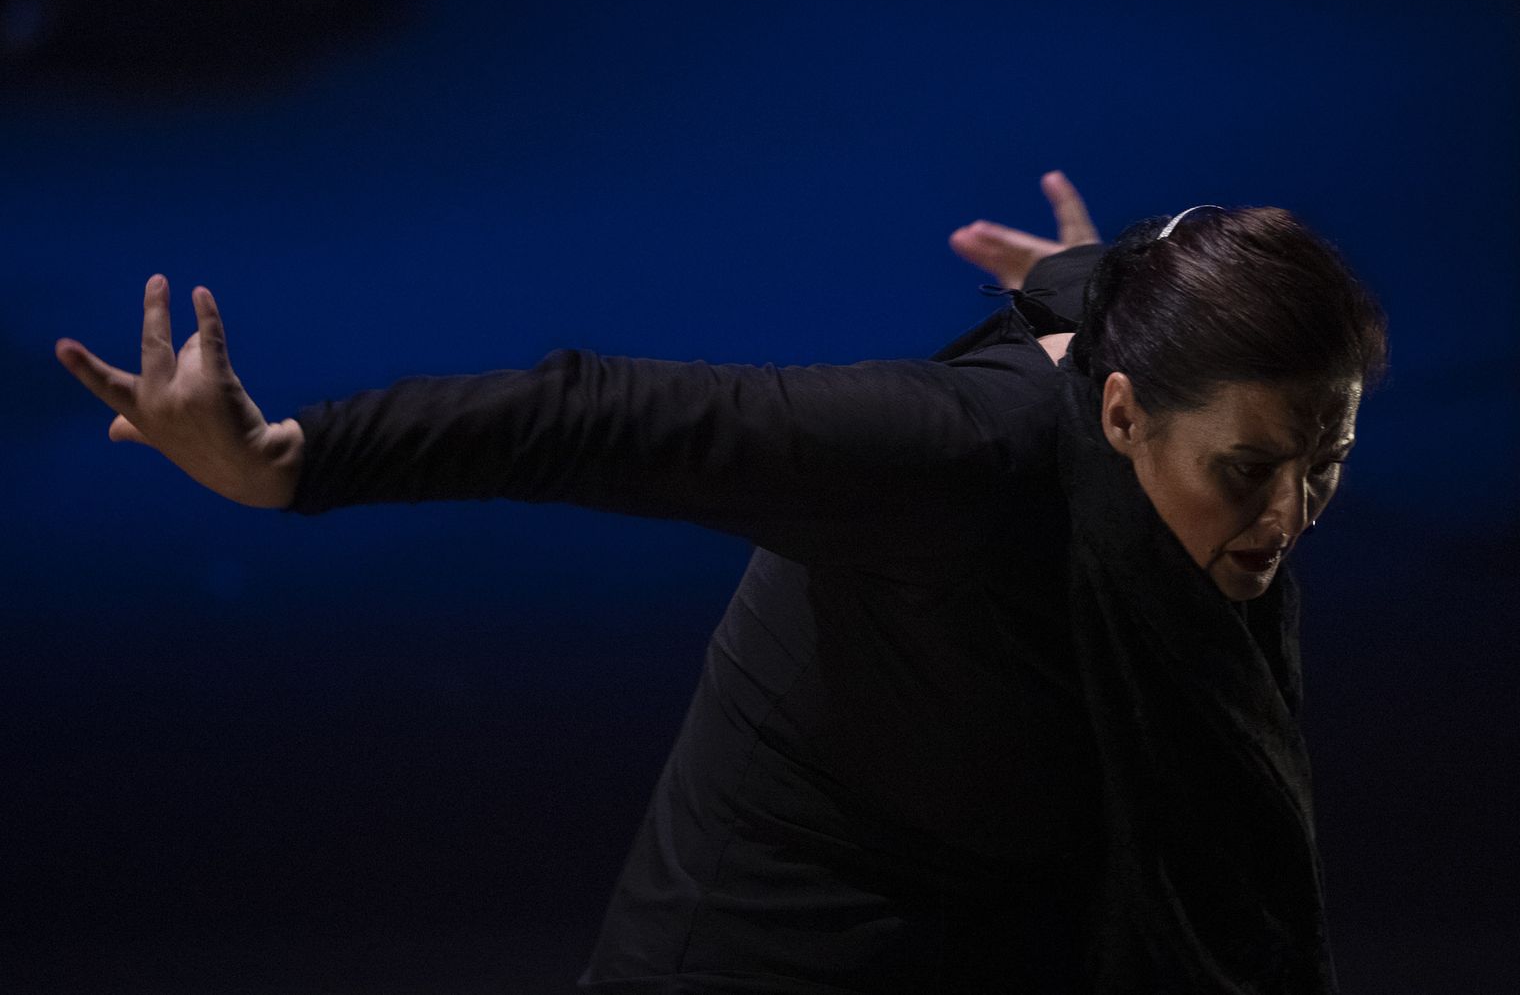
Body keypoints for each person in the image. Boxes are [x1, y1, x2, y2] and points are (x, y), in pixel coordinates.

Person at [55, 173, 1387, 994]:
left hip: (999, 897)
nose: (1289, 512)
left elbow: (1150, 283)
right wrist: (294, 460)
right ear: (1117, 412)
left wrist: (1085, 278)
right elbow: (596, 415)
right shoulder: (947, 455)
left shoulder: (1182, 431)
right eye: (1251, 466)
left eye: (1324, 460)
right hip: (782, 936)